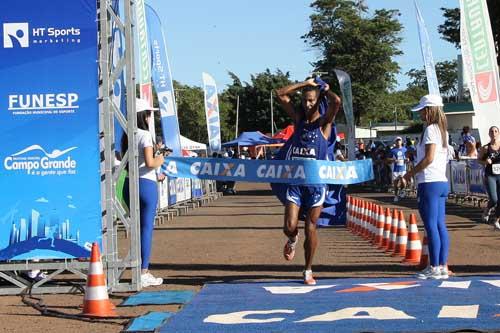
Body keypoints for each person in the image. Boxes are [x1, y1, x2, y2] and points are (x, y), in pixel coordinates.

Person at [276, 77, 341, 285]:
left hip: (316, 185)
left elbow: (337, 102)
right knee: (289, 226)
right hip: (295, 184)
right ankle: (292, 239)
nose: (307, 104)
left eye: (311, 101)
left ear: (318, 100)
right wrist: (304, 85)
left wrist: (326, 90)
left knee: (311, 227)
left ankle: (307, 269)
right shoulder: (298, 120)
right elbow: (280, 94)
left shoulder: (324, 124)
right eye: (304, 100)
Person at [121, 98, 167, 288]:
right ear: (144, 115)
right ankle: (143, 271)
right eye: (149, 114)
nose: (150, 117)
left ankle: (137, 269)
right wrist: (161, 158)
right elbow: (150, 163)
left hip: (129, 183)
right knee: (146, 229)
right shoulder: (145, 135)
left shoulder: (126, 135)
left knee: (137, 229)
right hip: (145, 185)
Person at [403, 94, 450, 280]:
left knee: (431, 226)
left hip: (429, 182)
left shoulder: (431, 130)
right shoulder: (442, 130)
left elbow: (428, 158)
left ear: (430, 110)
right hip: (440, 181)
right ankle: (441, 265)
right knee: (439, 225)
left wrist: (409, 174)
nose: (421, 114)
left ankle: (435, 266)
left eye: (423, 110)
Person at [477, 126, 500, 230]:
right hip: (490, 175)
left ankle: (496, 220)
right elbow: (478, 160)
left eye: (495, 131)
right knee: (494, 199)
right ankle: (487, 210)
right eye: (492, 131)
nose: (494, 133)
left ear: (498, 133)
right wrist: (485, 162)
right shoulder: (486, 148)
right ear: (489, 134)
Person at [388, 136, 408, 202]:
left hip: (403, 168)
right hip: (395, 169)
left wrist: (407, 159)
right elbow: (387, 159)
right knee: (396, 185)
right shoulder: (392, 150)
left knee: (403, 180)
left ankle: (402, 190)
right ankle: (396, 195)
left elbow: (408, 157)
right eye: (397, 140)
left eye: (399, 140)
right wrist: (393, 160)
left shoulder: (405, 149)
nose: (398, 141)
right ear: (395, 142)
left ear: (401, 141)